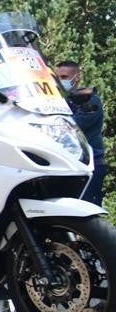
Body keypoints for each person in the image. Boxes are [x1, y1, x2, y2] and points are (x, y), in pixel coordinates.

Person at [56, 60, 106, 205]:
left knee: (85, 212)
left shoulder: (90, 101)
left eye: (64, 77)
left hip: (89, 166)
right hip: (65, 165)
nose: (59, 81)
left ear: (76, 77)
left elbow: (71, 126)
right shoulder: (57, 102)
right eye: (57, 77)